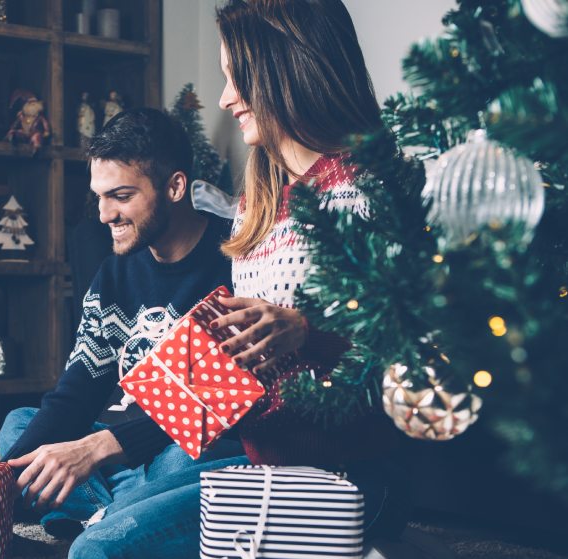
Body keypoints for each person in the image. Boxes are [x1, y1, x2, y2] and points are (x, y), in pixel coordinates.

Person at [43, 1, 410, 557]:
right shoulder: (255, 208)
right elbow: (227, 378)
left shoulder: (370, 190)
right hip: (247, 453)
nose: (224, 99)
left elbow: (407, 351)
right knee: (68, 467)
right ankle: (112, 501)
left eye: (237, 80)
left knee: (95, 549)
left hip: (337, 473)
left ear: (285, 72)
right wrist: (98, 444)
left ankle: (109, 506)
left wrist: (308, 332)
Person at [0, 107, 248, 551]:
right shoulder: (114, 275)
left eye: (121, 195)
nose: (104, 214)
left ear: (174, 186)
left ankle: (99, 515)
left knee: (190, 459)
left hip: (185, 448)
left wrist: (96, 449)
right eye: (99, 197)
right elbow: (77, 391)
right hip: (123, 454)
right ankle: (118, 516)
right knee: (19, 428)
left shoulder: (236, 262)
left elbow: (216, 408)